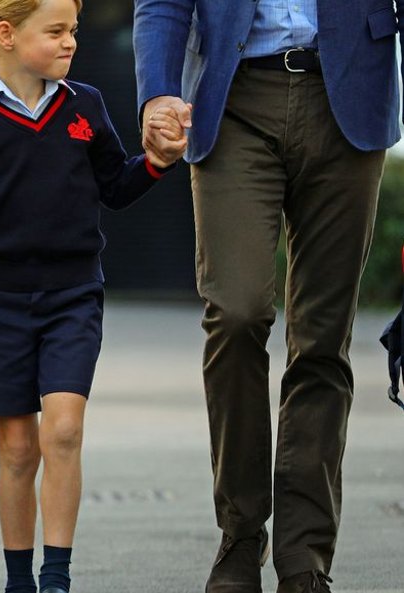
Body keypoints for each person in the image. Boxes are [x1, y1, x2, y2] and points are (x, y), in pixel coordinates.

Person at [0, 1, 186, 592]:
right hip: (1, 303)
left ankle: (55, 575)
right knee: (15, 449)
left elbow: (115, 184)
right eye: (56, 31)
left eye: (74, 31)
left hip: (73, 296)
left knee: (62, 430)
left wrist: (156, 164)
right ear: (6, 35)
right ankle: (19, 580)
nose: (70, 43)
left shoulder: (85, 104)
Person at [134, 1, 402, 592]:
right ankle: (240, 533)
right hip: (232, 98)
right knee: (235, 311)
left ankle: (305, 556)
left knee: (323, 338)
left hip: (351, 93)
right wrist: (156, 92)